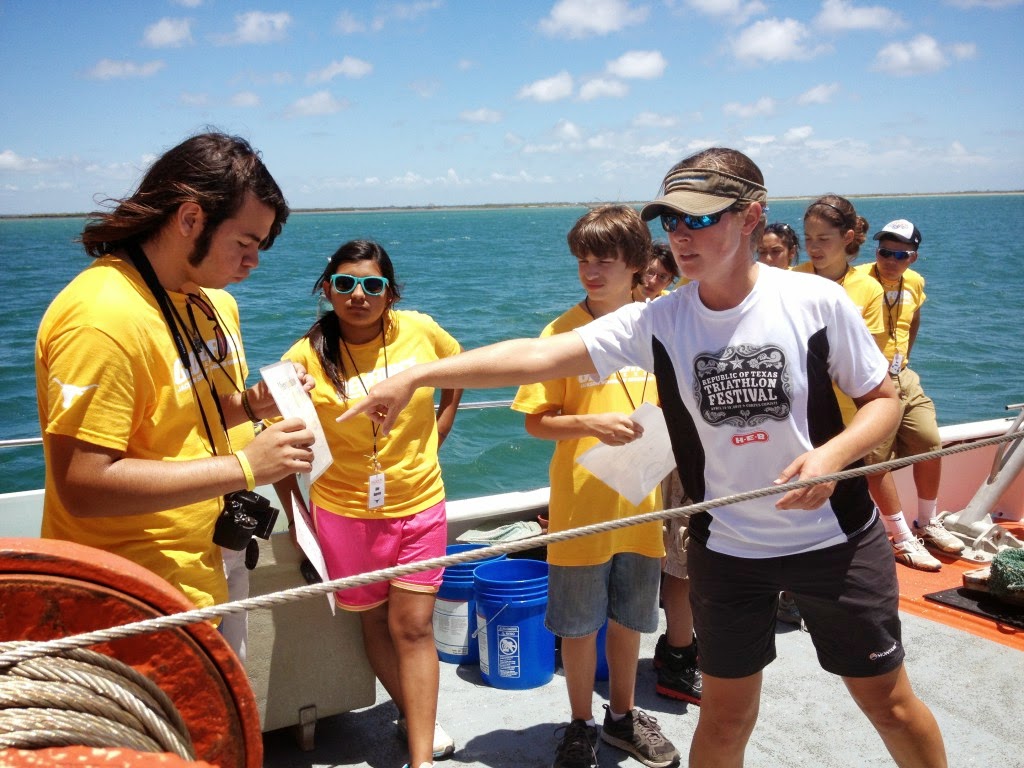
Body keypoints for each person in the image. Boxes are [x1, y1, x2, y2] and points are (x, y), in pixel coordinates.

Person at [341, 147, 948, 768]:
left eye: (700, 219)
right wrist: (415, 377)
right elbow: (538, 357)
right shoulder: (658, 321)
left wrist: (836, 454)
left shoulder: (815, 303)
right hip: (732, 550)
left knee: (887, 703)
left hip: (834, 539)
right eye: (671, 222)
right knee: (725, 718)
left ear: (750, 217)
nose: (680, 235)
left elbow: (881, 400)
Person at [35, 132, 316, 627]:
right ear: (190, 219)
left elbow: (183, 414)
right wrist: (248, 466)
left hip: (213, 561)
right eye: (245, 243)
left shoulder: (213, 300)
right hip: (127, 596)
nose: (254, 261)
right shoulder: (101, 317)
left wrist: (252, 405)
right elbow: (83, 484)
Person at [272, 240, 462, 768]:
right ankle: (412, 710)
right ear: (327, 289)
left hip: (421, 501)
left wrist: (441, 425)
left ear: (390, 293)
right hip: (343, 513)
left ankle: (420, 758)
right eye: (346, 283)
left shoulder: (419, 329)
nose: (359, 295)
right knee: (375, 623)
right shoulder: (303, 357)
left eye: (373, 285)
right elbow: (282, 442)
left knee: (414, 625)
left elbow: (459, 367)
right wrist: (297, 517)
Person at [511, 204, 679, 768]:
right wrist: (589, 423)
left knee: (630, 620)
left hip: (643, 501)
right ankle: (580, 722)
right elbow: (535, 420)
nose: (590, 271)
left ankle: (623, 717)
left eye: (604, 260)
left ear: (637, 263)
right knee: (579, 627)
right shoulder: (560, 333)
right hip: (582, 507)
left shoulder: (661, 322)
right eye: (583, 259)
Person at [797, 197, 940, 572]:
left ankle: (906, 534)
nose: (814, 246)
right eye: (808, 237)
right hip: (801, 409)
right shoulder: (793, 279)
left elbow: (869, 362)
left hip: (850, 406)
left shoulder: (868, 288)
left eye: (823, 238)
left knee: (844, 495)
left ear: (846, 238)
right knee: (807, 496)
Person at [855, 220, 963, 561]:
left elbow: (913, 316)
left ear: (912, 258)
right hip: (870, 383)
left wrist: (905, 359)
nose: (889, 260)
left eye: (899, 254)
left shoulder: (914, 282)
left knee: (929, 443)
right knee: (876, 461)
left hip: (902, 374)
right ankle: (901, 537)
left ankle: (927, 523)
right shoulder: (857, 280)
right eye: (884, 251)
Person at [652, 471, 702, 705]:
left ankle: (677, 644)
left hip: (692, 459)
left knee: (683, 560)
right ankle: (678, 663)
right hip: (696, 465)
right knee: (686, 565)